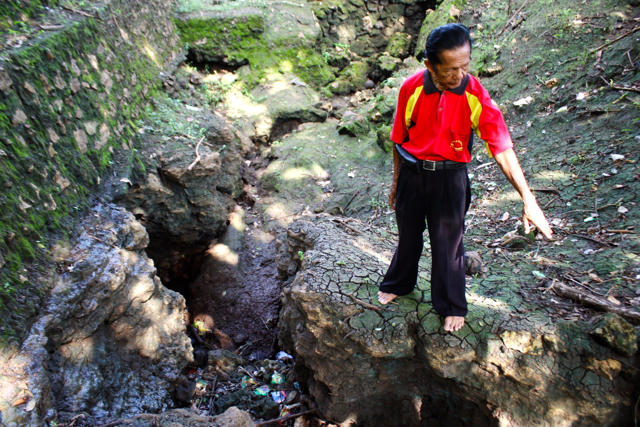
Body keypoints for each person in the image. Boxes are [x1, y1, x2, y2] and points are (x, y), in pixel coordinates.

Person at [377, 23, 553, 332]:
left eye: (465, 66)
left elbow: (502, 147)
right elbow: (398, 139)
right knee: (407, 236)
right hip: (412, 175)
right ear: (430, 64)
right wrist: (395, 183)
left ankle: (451, 304)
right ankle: (399, 283)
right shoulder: (411, 88)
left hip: (449, 179)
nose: (459, 76)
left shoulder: (474, 93)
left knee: (448, 246)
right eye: (450, 70)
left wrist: (529, 199)